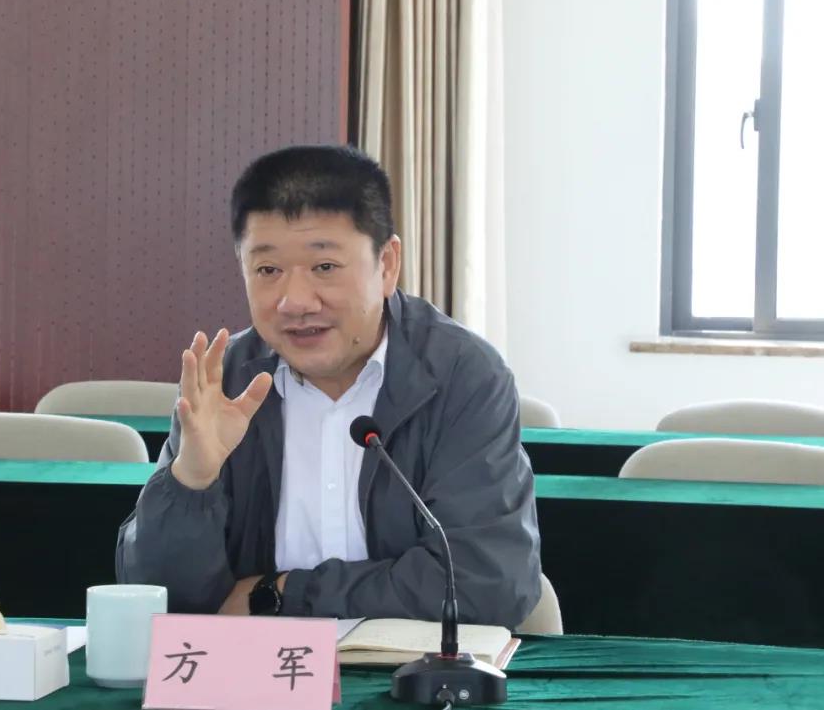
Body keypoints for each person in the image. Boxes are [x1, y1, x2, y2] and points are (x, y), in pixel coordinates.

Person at [116, 145, 541, 627]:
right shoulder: (227, 381)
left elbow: (486, 582)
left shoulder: (460, 376)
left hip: (411, 669)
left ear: (387, 264)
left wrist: (280, 593)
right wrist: (192, 481)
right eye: (268, 271)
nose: (295, 302)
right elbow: (156, 597)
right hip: (255, 670)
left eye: (325, 268)